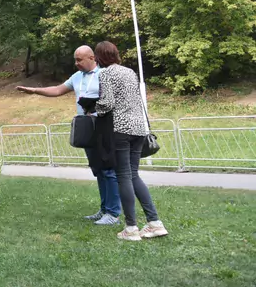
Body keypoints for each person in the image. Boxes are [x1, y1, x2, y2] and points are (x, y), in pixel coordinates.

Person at [16, 45, 121, 225]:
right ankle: (104, 210)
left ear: (92, 58)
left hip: (104, 127)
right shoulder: (76, 77)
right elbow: (58, 90)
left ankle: (113, 213)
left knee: (108, 170)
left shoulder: (105, 74)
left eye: (79, 60)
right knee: (98, 170)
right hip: (86, 127)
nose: (76, 63)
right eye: (75, 60)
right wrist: (34, 91)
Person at [94, 41, 168, 241]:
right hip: (139, 128)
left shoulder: (105, 74)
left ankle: (131, 228)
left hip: (120, 129)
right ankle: (155, 223)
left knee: (124, 176)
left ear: (99, 57)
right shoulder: (130, 72)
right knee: (133, 175)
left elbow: (107, 103)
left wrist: (94, 108)